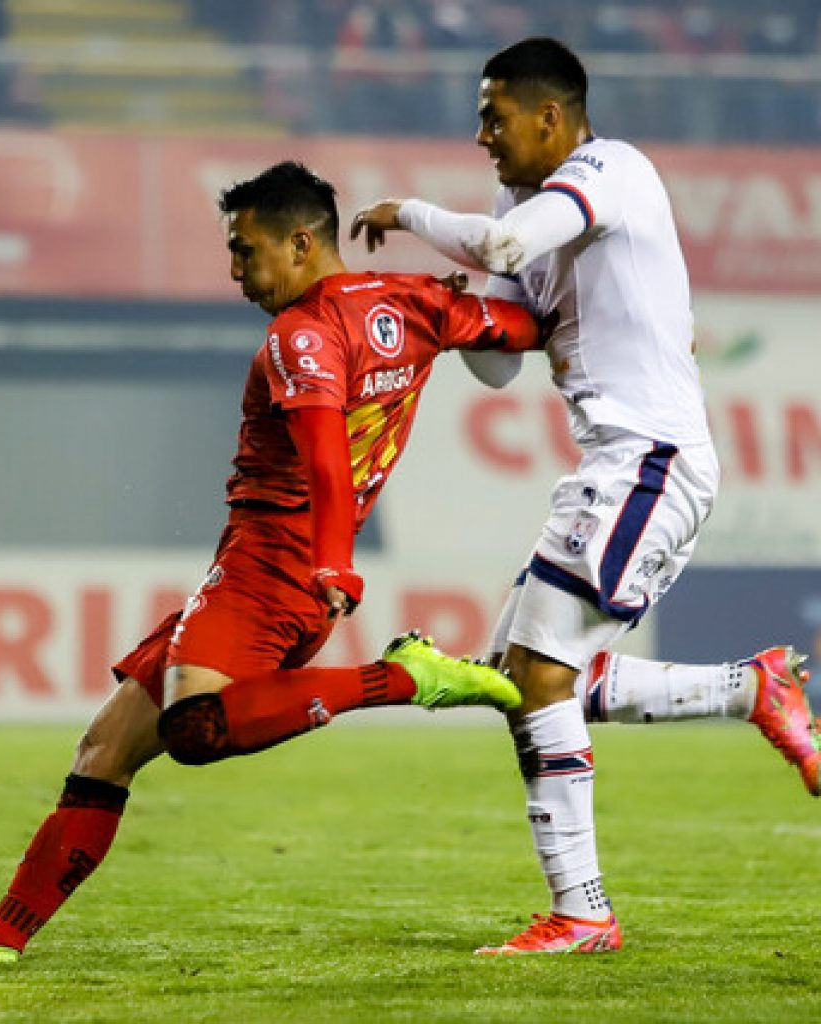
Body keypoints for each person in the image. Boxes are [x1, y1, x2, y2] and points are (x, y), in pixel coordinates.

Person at [0, 159, 542, 963]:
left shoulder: (300, 336)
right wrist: (628, 336)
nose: (237, 272)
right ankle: (0, 941)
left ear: (301, 242)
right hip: (264, 568)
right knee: (105, 750)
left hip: (273, 567)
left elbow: (325, 459)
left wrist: (334, 565)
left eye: (246, 251)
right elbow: (521, 328)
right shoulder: (414, 301)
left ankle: (405, 678)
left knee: (196, 727)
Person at [351, 36, 819, 955]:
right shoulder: (515, 204)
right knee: (517, 673)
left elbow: (503, 247)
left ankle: (583, 913)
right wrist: (439, 312)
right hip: (617, 462)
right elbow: (496, 361)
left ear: (550, 117)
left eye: (494, 117)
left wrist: (404, 213)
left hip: (651, 457)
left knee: (538, 676)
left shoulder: (613, 172)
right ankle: (750, 687)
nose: (482, 136)